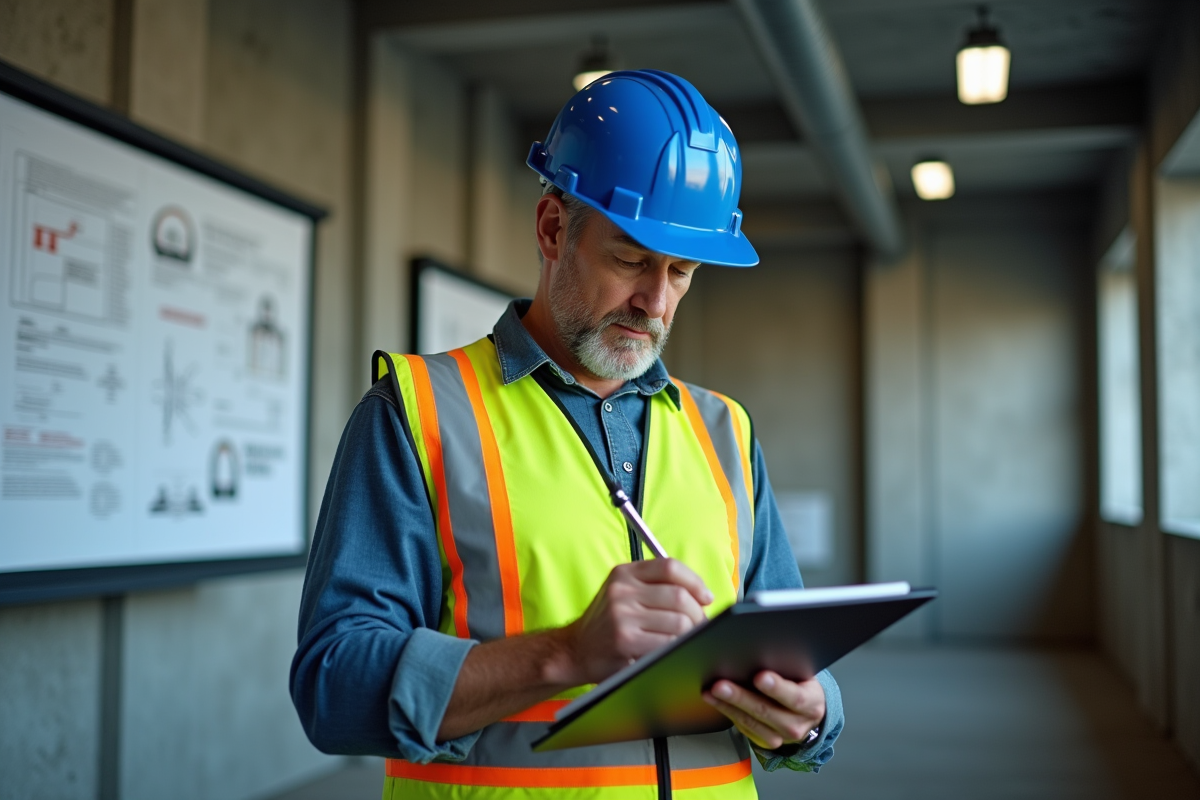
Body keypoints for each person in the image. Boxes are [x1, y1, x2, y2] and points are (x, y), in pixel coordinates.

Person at [291, 69, 843, 799]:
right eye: (631, 260)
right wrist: (566, 654)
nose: (656, 303)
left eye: (682, 271)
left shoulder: (725, 432)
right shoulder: (418, 414)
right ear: (553, 228)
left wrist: (811, 715)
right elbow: (333, 688)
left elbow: (794, 662)